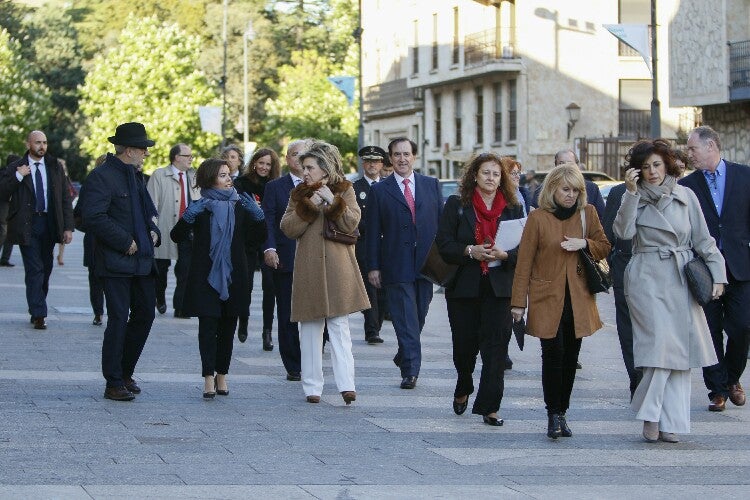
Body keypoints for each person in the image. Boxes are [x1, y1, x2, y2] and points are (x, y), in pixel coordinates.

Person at [614, 138, 726, 442]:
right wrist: (631, 194)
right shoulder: (633, 196)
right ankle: (650, 415)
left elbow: (704, 240)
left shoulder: (686, 196)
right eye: (646, 166)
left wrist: (718, 276)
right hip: (646, 277)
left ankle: (671, 420)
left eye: (657, 165)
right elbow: (622, 233)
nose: (652, 171)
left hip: (680, 276)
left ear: (667, 165)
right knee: (658, 349)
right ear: (637, 171)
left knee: (679, 353)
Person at [511, 164, 610, 439]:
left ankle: (562, 411)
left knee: (571, 357)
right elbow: (524, 263)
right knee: (552, 354)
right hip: (546, 297)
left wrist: (584, 243)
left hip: (578, 298)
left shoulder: (587, 214)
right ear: (553, 189)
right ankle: (553, 414)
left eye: (576, 190)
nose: (570, 195)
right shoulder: (539, 218)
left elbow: (605, 245)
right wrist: (518, 303)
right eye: (565, 189)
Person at [436, 153, 524, 426]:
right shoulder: (457, 204)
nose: (491, 178)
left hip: (499, 288)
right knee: (464, 348)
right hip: (465, 287)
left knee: (496, 349)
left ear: (502, 179)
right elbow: (444, 244)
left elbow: (525, 250)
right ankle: (463, 385)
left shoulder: (513, 207)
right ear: (475, 175)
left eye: (496, 174)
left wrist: (506, 255)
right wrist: (470, 251)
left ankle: (490, 406)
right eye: (486, 173)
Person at [280, 141, 369, 404]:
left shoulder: (346, 189)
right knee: (309, 328)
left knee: (340, 327)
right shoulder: (298, 194)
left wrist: (332, 201)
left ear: (324, 168)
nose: (304, 172)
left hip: (338, 267)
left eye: (309, 167)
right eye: (303, 167)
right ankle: (312, 387)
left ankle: (347, 385)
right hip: (309, 269)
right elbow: (288, 228)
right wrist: (309, 206)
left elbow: (352, 222)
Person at [171, 158, 266, 398]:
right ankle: (208, 379)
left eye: (229, 174)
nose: (229, 178)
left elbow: (257, 239)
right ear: (210, 178)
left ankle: (222, 374)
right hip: (206, 275)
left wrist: (258, 216)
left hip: (235, 275)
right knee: (208, 326)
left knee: (228, 327)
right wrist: (188, 217)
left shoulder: (241, 206)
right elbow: (176, 235)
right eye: (223, 175)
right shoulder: (200, 206)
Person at [80, 122, 160, 401]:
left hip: (143, 261)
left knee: (146, 315)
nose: (146, 153)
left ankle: (125, 372)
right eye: (142, 148)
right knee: (117, 319)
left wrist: (153, 231)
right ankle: (113, 381)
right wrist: (124, 241)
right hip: (115, 262)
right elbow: (91, 216)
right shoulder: (102, 177)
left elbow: (148, 214)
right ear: (128, 150)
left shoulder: (136, 176)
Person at [681, 125, 750, 412]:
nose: (689, 154)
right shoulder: (687, 186)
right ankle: (717, 390)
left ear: (711, 146)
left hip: (740, 265)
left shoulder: (744, 176)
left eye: (692, 148)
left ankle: (732, 377)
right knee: (709, 330)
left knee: (743, 326)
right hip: (704, 270)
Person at [366, 137, 442, 389]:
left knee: (418, 316)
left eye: (406, 154)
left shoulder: (431, 185)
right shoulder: (380, 190)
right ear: (390, 158)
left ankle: (404, 353)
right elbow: (373, 231)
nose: (402, 159)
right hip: (396, 264)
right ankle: (410, 370)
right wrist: (373, 266)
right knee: (405, 318)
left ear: (414, 156)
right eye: (396, 154)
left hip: (427, 265)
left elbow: (441, 227)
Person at [0, 131, 74, 330]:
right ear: (29, 144)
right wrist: (18, 176)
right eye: (38, 143)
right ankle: (39, 313)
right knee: (35, 269)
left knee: (46, 269)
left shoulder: (55, 167)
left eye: (45, 143)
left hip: (49, 224)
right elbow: (3, 190)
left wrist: (68, 227)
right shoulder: (17, 167)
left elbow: (65, 199)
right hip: (27, 224)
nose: (42, 146)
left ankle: (37, 305)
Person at [262, 139, 310, 381]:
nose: (299, 159)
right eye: (294, 154)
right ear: (287, 159)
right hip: (286, 258)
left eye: (303, 154)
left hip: (315, 261)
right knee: (287, 314)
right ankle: (294, 365)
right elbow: (268, 221)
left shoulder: (320, 184)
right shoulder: (275, 187)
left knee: (316, 313)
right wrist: (269, 248)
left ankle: (312, 356)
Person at [233, 147, 281, 349]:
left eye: (268, 164)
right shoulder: (241, 184)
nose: (264, 167)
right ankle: (243, 319)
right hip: (247, 241)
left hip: (268, 241)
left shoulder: (276, 185)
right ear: (254, 163)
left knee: (270, 287)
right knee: (246, 285)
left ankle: (267, 331)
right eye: (261, 162)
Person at [147, 143, 201, 318]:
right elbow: (151, 203)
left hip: (186, 231)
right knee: (161, 268)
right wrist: (152, 228)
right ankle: (159, 297)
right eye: (188, 156)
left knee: (185, 270)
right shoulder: (159, 175)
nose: (191, 159)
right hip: (164, 229)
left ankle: (181, 307)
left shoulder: (194, 177)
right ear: (177, 157)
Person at [601, 179, 641, 398]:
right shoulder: (618, 192)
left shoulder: (674, 192)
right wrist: (611, 271)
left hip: (657, 271)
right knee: (628, 329)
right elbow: (608, 234)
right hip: (625, 266)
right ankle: (636, 379)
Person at [353, 145, 388, 345]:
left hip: (386, 245)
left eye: (376, 161)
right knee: (369, 288)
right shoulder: (355, 188)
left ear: (382, 164)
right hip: (365, 244)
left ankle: (377, 324)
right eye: (368, 161)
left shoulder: (387, 186)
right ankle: (371, 329)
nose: (372, 165)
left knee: (384, 291)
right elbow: (354, 218)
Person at [75, 154, 108, 326]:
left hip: (113, 237)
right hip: (95, 237)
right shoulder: (91, 183)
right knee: (95, 277)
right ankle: (98, 312)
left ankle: (107, 312)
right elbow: (80, 212)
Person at [553, 149, 605, 220]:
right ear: (555, 166)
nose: (565, 167)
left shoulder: (591, 188)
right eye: (561, 163)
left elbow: (601, 217)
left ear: (577, 166)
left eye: (570, 163)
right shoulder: (545, 188)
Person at [0, 153, 21, 267]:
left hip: (13, 206)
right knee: (3, 231)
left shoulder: (19, 174)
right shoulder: (4, 173)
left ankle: (5, 258)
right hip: (4, 205)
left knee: (10, 232)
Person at [55, 159, 76, 266]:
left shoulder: (66, 178)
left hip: (64, 210)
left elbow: (71, 193)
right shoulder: (53, 176)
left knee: (63, 235)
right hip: (55, 210)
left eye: (63, 165)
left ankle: (61, 256)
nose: (62, 166)